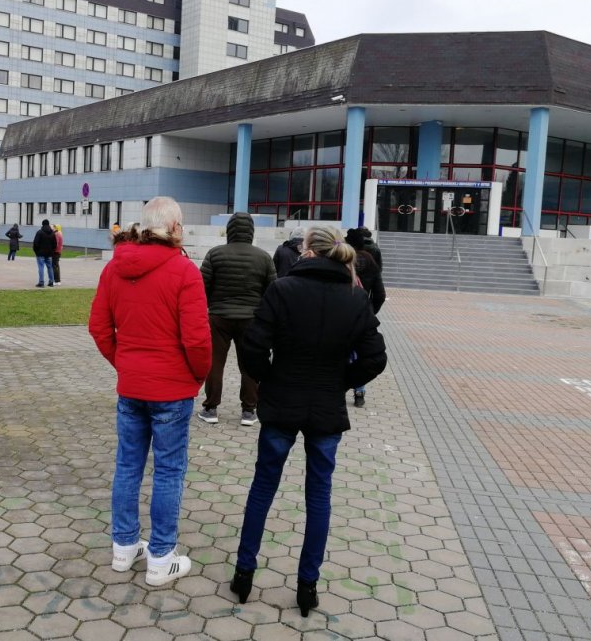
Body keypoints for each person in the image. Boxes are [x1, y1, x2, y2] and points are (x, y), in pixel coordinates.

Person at [230, 224, 387, 617]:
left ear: (308, 251)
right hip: (325, 408)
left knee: (263, 487)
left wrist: (268, 379)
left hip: (282, 401)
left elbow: (252, 345)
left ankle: (244, 574)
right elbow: (375, 358)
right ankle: (307, 586)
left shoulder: (283, 289)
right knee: (318, 495)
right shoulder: (355, 297)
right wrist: (341, 382)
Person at [88, 196, 212, 587]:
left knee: (128, 465)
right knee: (169, 470)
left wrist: (125, 364)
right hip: (171, 389)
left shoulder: (114, 267)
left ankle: (124, 547)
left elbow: (99, 327)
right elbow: (197, 340)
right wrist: (197, 376)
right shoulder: (184, 270)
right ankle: (160, 556)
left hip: (133, 387)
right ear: (174, 227)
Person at [198, 212, 276, 426]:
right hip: (251, 319)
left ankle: (211, 408)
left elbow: (201, 287)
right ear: (251, 231)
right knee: (249, 364)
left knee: (215, 363)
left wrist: (211, 307)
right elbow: (272, 292)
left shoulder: (215, 254)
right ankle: (249, 411)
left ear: (229, 230)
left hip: (218, 317)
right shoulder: (263, 257)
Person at [345, 228, 386, 408]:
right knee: (361, 351)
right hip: (363, 313)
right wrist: (371, 311)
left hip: (343, 311)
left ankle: (338, 385)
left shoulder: (344, 260)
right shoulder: (371, 261)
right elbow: (380, 294)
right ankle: (359, 391)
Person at [32, 219, 56, 287]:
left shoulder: (39, 232)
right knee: (50, 267)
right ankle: (51, 282)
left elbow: (35, 243)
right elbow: (55, 244)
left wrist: (36, 251)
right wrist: (52, 252)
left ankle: (41, 282)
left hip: (40, 253)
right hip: (49, 254)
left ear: (42, 224)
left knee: (41, 267)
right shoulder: (52, 233)